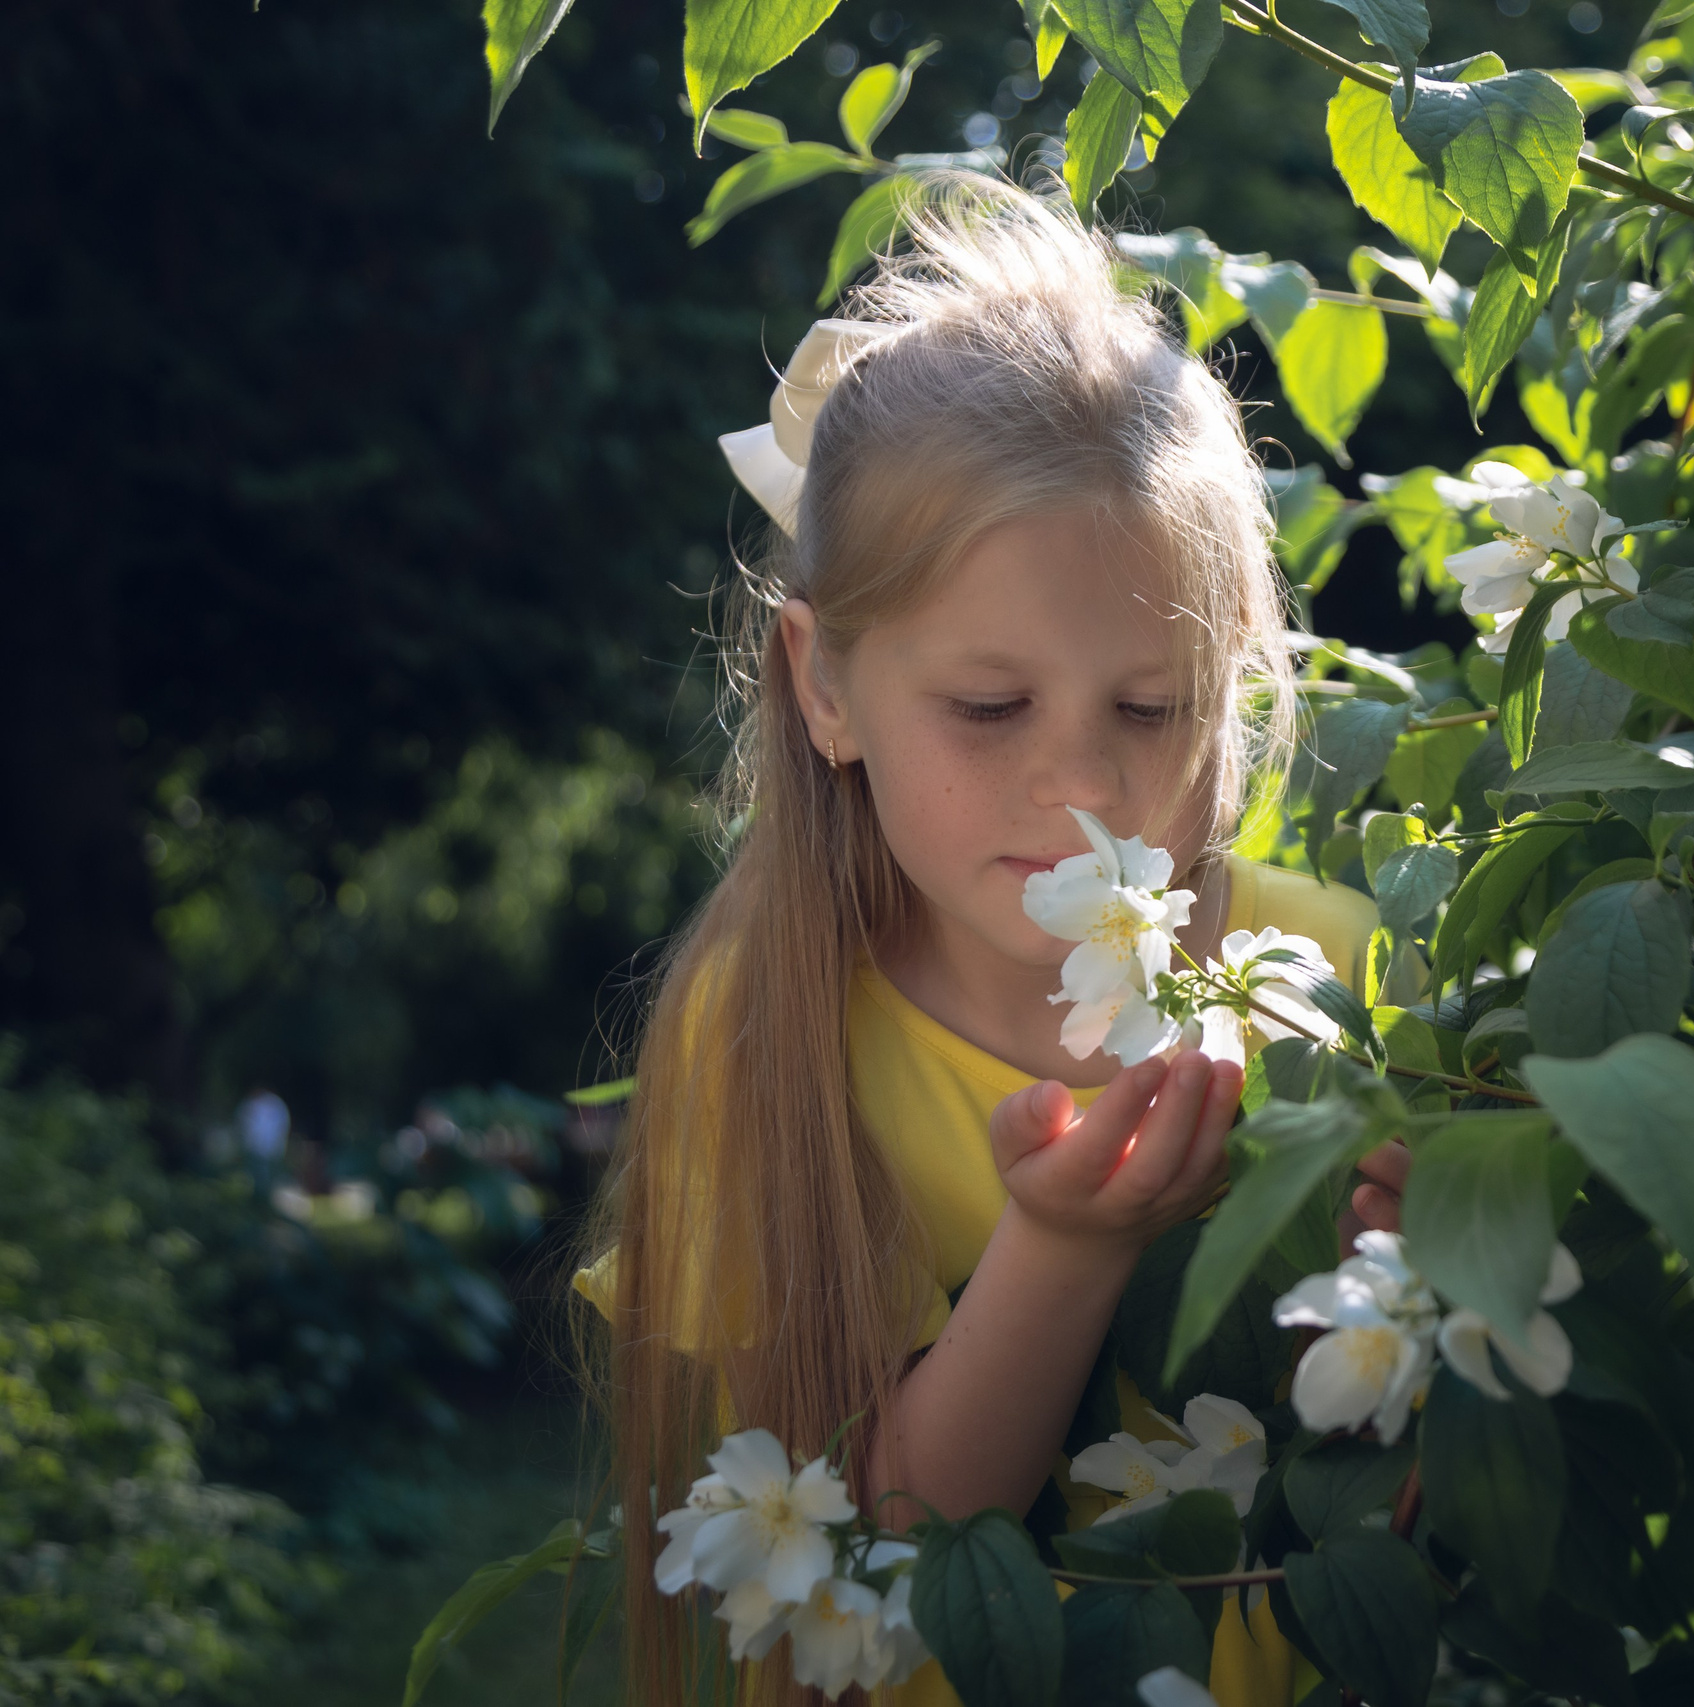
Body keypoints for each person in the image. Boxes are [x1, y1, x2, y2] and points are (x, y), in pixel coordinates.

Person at [579, 181, 1408, 1707]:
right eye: (988, 706)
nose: (1080, 782)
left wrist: (1427, 1295)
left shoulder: (1344, 982)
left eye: (1151, 707)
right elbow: (863, 1557)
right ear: (826, 687)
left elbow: (1432, 1522)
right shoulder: (764, 1031)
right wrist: (1069, 1247)